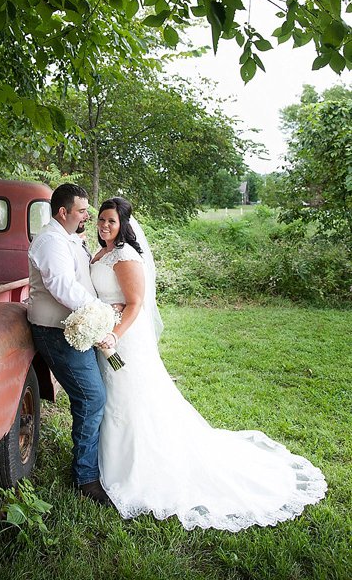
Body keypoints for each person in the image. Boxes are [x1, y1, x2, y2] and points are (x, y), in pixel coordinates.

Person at [90, 197, 327, 530]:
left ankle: (137, 467)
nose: (103, 226)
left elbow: (135, 303)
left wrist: (114, 334)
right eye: (101, 220)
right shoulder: (99, 252)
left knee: (130, 399)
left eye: (111, 221)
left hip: (123, 338)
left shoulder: (126, 256)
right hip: (103, 331)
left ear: (124, 225)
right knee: (111, 396)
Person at [27, 183, 110, 505]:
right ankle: (85, 476)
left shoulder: (65, 237)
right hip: (56, 331)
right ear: (63, 212)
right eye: (82, 211)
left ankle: (91, 462)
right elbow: (61, 285)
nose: (87, 216)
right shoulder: (49, 240)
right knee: (91, 397)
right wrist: (99, 311)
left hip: (75, 326)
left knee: (93, 394)